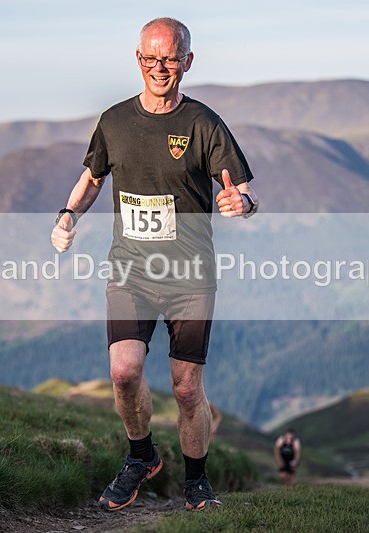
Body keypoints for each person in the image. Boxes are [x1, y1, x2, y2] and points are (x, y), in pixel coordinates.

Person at [51, 17, 258, 511]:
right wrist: (66, 214)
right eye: (150, 58)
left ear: (187, 62)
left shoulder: (203, 123)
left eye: (169, 59)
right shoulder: (115, 121)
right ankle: (141, 455)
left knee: (187, 388)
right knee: (124, 373)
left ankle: (197, 483)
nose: (159, 68)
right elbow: (92, 177)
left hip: (191, 276)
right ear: (137, 59)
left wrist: (242, 205)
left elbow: (242, 190)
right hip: (131, 270)